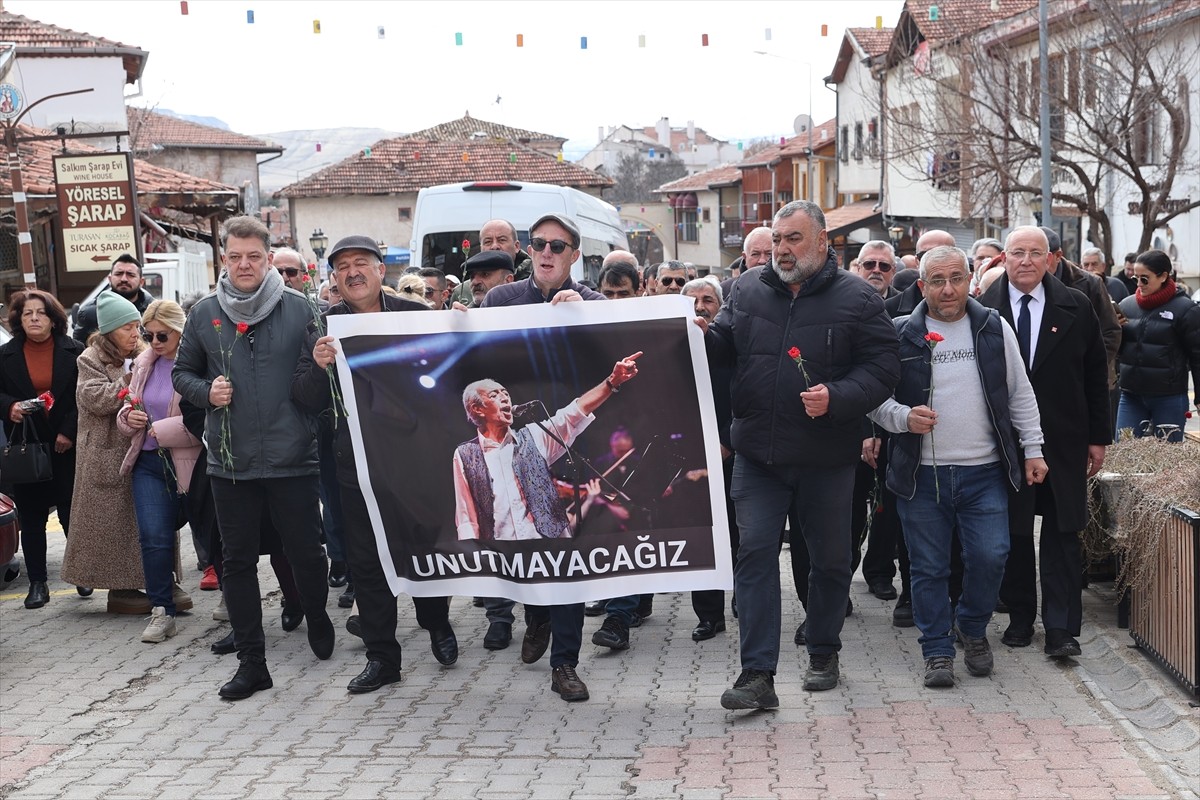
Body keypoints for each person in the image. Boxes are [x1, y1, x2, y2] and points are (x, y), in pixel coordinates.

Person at [704, 200, 900, 709]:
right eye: (776, 239)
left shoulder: (858, 298)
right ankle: (757, 675)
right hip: (758, 456)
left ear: (820, 241)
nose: (781, 250)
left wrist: (839, 397)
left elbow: (883, 368)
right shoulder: (745, 288)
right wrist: (698, 334)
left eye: (793, 239)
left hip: (827, 457)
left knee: (831, 561)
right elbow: (723, 348)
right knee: (755, 555)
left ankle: (823, 649)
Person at [869, 246, 1047, 687]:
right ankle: (937, 650)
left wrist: (1034, 449)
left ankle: (970, 623)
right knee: (928, 567)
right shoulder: (899, 333)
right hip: (921, 474)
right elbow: (874, 399)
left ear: (970, 280)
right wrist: (903, 418)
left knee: (991, 556)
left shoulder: (992, 326)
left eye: (956, 279)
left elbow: (1020, 393)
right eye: (936, 281)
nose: (947, 290)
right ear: (921, 285)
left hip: (985, 472)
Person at [173, 215, 334, 700]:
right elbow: (182, 374)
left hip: (292, 458)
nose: (245, 264)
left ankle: (318, 612)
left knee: (306, 552)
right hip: (230, 461)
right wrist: (207, 392)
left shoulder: (302, 309)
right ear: (224, 259)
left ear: (269, 259)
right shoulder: (203, 314)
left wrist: (323, 367)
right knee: (236, 563)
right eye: (236, 256)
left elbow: (317, 388)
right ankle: (252, 662)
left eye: (255, 257)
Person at [294, 235, 460, 693]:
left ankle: (437, 623)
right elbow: (305, 400)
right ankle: (383, 658)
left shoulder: (416, 317)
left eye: (361, 263)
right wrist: (318, 365)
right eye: (343, 266)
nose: (353, 272)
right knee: (367, 565)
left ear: (380, 269)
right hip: (358, 469)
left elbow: (455, 370)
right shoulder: (323, 329)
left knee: (425, 552)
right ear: (335, 278)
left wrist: (464, 326)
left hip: (417, 463)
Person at [474, 212, 612, 702]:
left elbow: (613, 361)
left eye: (558, 246)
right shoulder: (501, 299)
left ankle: (566, 663)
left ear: (575, 255)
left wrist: (585, 321)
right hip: (516, 441)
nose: (547, 253)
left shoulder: (593, 301)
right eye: (538, 244)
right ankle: (537, 617)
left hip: (568, 440)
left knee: (567, 555)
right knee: (522, 547)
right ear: (527, 251)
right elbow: (476, 356)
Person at [978, 226, 1111, 657]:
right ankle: (1020, 619)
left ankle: (1060, 629)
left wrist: (1098, 437)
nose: (1026, 261)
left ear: (1052, 259)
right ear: (1004, 259)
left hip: (1064, 438)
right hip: (1004, 442)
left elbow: (1095, 375)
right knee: (1013, 534)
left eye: (1036, 253)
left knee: (1062, 535)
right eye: (1017, 252)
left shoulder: (1077, 305)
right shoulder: (983, 309)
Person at [63, 293, 191, 615]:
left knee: (151, 524)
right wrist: (127, 379)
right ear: (109, 331)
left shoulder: (145, 353)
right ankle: (121, 589)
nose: (137, 335)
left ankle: (160, 582)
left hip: (143, 448)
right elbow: (93, 398)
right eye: (128, 328)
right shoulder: (89, 358)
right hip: (106, 453)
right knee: (115, 526)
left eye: (138, 327)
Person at [117, 301, 202, 643]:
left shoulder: (197, 363)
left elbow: (205, 418)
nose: (153, 341)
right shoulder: (143, 364)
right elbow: (129, 407)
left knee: (213, 536)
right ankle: (161, 611)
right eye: (146, 334)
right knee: (153, 537)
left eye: (161, 334)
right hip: (148, 463)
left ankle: (232, 596)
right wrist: (128, 418)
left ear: (179, 331)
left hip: (192, 462)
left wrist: (162, 430)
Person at [0, 290, 87, 608]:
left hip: (65, 446)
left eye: (41, 313)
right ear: (19, 320)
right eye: (27, 314)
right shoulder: (6, 355)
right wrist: (10, 407)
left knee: (71, 515)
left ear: (53, 318)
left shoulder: (75, 351)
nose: (34, 318)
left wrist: (69, 431)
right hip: (26, 448)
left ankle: (82, 574)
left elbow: (84, 397)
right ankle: (38, 584)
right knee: (33, 518)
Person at [683, 278, 737, 641]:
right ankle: (709, 615)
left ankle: (745, 603)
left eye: (708, 300)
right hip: (690, 461)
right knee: (702, 539)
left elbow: (746, 395)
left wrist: (728, 444)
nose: (700, 306)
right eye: (693, 301)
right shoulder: (668, 348)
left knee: (738, 536)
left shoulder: (730, 348)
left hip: (732, 456)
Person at [1114, 249, 1200, 441]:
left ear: (1163, 276)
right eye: (1136, 278)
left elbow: (1197, 356)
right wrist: (1115, 330)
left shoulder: (1186, 309)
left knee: (1168, 460)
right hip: (1131, 394)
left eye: (1145, 279)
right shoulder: (1127, 305)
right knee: (1123, 454)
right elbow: (1117, 350)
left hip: (1168, 396)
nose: (1138, 284)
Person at [72, 254, 154, 343]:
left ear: (141, 282)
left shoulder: (153, 312)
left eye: (130, 275)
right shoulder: (90, 312)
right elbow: (77, 350)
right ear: (110, 279)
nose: (124, 279)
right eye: (119, 274)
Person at [722, 227, 772, 297]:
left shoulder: (790, 289)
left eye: (769, 254)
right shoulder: (726, 290)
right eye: (755, 254)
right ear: (745, 257)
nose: (762, 260)